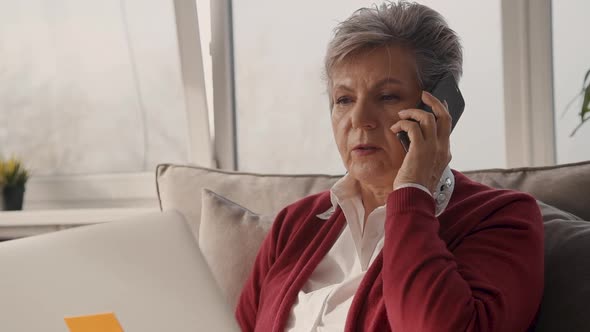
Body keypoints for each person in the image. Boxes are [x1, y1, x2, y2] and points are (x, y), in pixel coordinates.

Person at [236, 1, 544, 331]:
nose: (359, 120)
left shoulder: (503, 218)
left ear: (439, 109)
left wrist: (412, 191)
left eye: (386, 97)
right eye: (344, 99)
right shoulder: (294, 225)